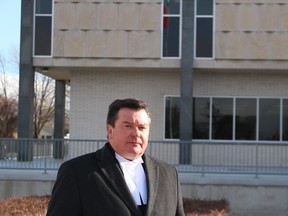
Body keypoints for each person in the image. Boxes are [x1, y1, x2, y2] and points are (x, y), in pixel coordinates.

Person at [46, 98, 185, 216]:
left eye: (142, 128)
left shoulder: (170, 174)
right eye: (128, 126)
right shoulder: (77, 172)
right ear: (110, 131)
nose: (136, 134)